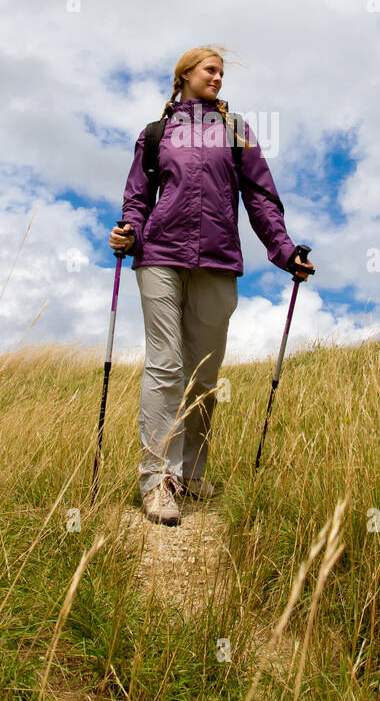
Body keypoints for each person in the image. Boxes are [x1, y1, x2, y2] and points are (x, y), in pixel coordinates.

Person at [109, 46, 315, 526]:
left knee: (203, 376)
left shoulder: (237, 131)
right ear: (185, 74)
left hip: (218, 259)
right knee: (165, 364)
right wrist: (128, 230)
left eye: (222, 72)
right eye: (210, 70)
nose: (218, 78)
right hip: (159, 254)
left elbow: (261, 199)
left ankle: (192, 473)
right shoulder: (156, 133)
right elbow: (137, 197)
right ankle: (157, 480)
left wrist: (285, 251)